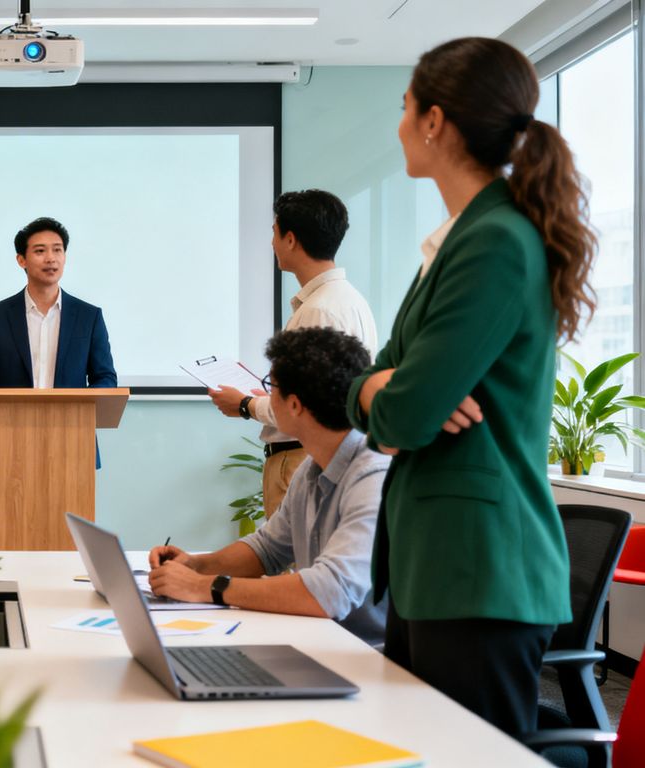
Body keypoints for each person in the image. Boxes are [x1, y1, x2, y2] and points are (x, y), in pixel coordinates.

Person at [347, 37, 593, 735]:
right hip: (441, 568)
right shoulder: (457, 239)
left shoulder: (495, 241)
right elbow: (377, 380)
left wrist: (390, 390)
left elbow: (402, 414)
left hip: (480, 570)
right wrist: (383, 387)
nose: (398, 125)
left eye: (404, 108)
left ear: (434, 121)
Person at [149, 327, 389, 646]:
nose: (265, 396)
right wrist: (194, 565)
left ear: (294, 405)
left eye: (270, 386)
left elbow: (330, 592)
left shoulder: (373, 475)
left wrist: (204, 587)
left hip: (368, 659)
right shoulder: (312, 468)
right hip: (322, 642)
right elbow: (267, 549)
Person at [0, 217, 117, 541]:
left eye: (57, 250)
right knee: (0, 541)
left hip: (71, 448)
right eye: (40, 251)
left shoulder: (88, 316)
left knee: (69, 544)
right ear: (21, 260)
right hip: (8, 449)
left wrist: (83, 401)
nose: (50, 258)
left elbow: (105, 377)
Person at [207, 190, 378, 519]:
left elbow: (313, 406)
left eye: (273, 232)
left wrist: (244, 404)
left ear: (290, 239)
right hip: (312, 457)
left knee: (295, 566)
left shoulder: (320, 310)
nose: (270, 242)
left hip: (300, 460)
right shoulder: (349, 300)